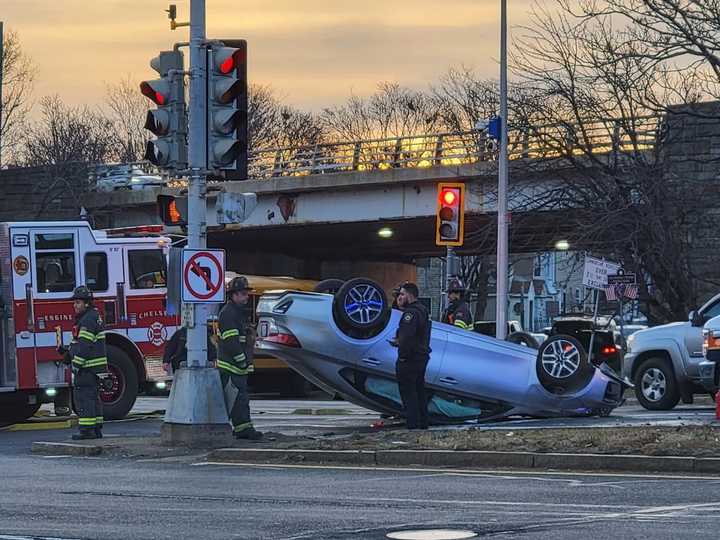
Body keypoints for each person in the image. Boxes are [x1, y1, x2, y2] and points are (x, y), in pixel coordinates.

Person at [58, 286, 107, 440]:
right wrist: (67, 353)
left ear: (86, 303)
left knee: (84, 398)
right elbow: (79, 343)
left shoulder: (87, 320)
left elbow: (84, 345)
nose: (75, 305)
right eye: (74, 302)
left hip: (87, 367)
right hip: (94, 368)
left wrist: (76, 365)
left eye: (78, 302)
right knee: (93, 398)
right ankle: (96, 429)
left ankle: (86, 430)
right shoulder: (92, 317)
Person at [217, 276, 262, 440]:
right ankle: (243, 430)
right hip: (232, 366)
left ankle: (244, 427)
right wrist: (242, 360)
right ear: (233, 295)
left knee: (240, 399)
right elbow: (231, 341)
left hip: (236, 366)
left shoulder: (237, 313)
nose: (246, 297)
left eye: (246, 294)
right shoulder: (229, 314)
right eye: (243, 294)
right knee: (238, 400)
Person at [394, 282, 432, 430]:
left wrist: (402, 355)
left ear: (409, 295)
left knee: (409, 395)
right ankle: (422, 425)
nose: (399, 297)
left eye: (402, 294)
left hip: (409, 360)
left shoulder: (410, 314)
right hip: (421, 358)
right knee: (419, 393)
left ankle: (412, 426)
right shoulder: (422, 310)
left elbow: (407, 337)